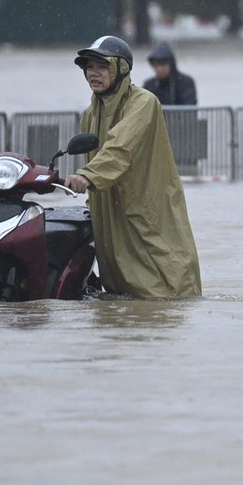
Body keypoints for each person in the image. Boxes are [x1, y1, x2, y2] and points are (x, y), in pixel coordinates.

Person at [64, 35, 203, 299]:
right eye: (89, 67)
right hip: (109, 214)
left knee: (167, 290)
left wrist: (88, 176)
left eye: (101, 66)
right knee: (121, 296)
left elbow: (121, 147)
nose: (93, 73)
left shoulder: (143, 102)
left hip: (145, 209)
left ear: (121, 68)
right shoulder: (89, 115)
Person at [141, 41, 198, 106]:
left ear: (171, 64)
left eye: (163, 64)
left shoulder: (186, 82)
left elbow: (188, 109)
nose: (159, 68)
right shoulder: (149, 85)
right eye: (156, 65)